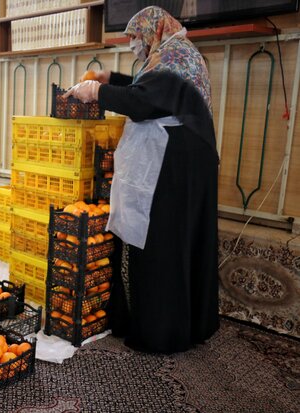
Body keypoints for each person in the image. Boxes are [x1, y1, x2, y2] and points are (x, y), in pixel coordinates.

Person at [64, 6, 219, 353]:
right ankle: (190, 322)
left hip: (174, 166)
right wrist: (111, 79)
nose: (133, 45)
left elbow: (145, 102)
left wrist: (96, 92)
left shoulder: (174, 57)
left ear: (153, 32)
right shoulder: (178, 54)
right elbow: (151, 92)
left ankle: (160, 331)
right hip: (191, 162)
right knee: (183, 243)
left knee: (161, 243)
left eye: (135, 37)